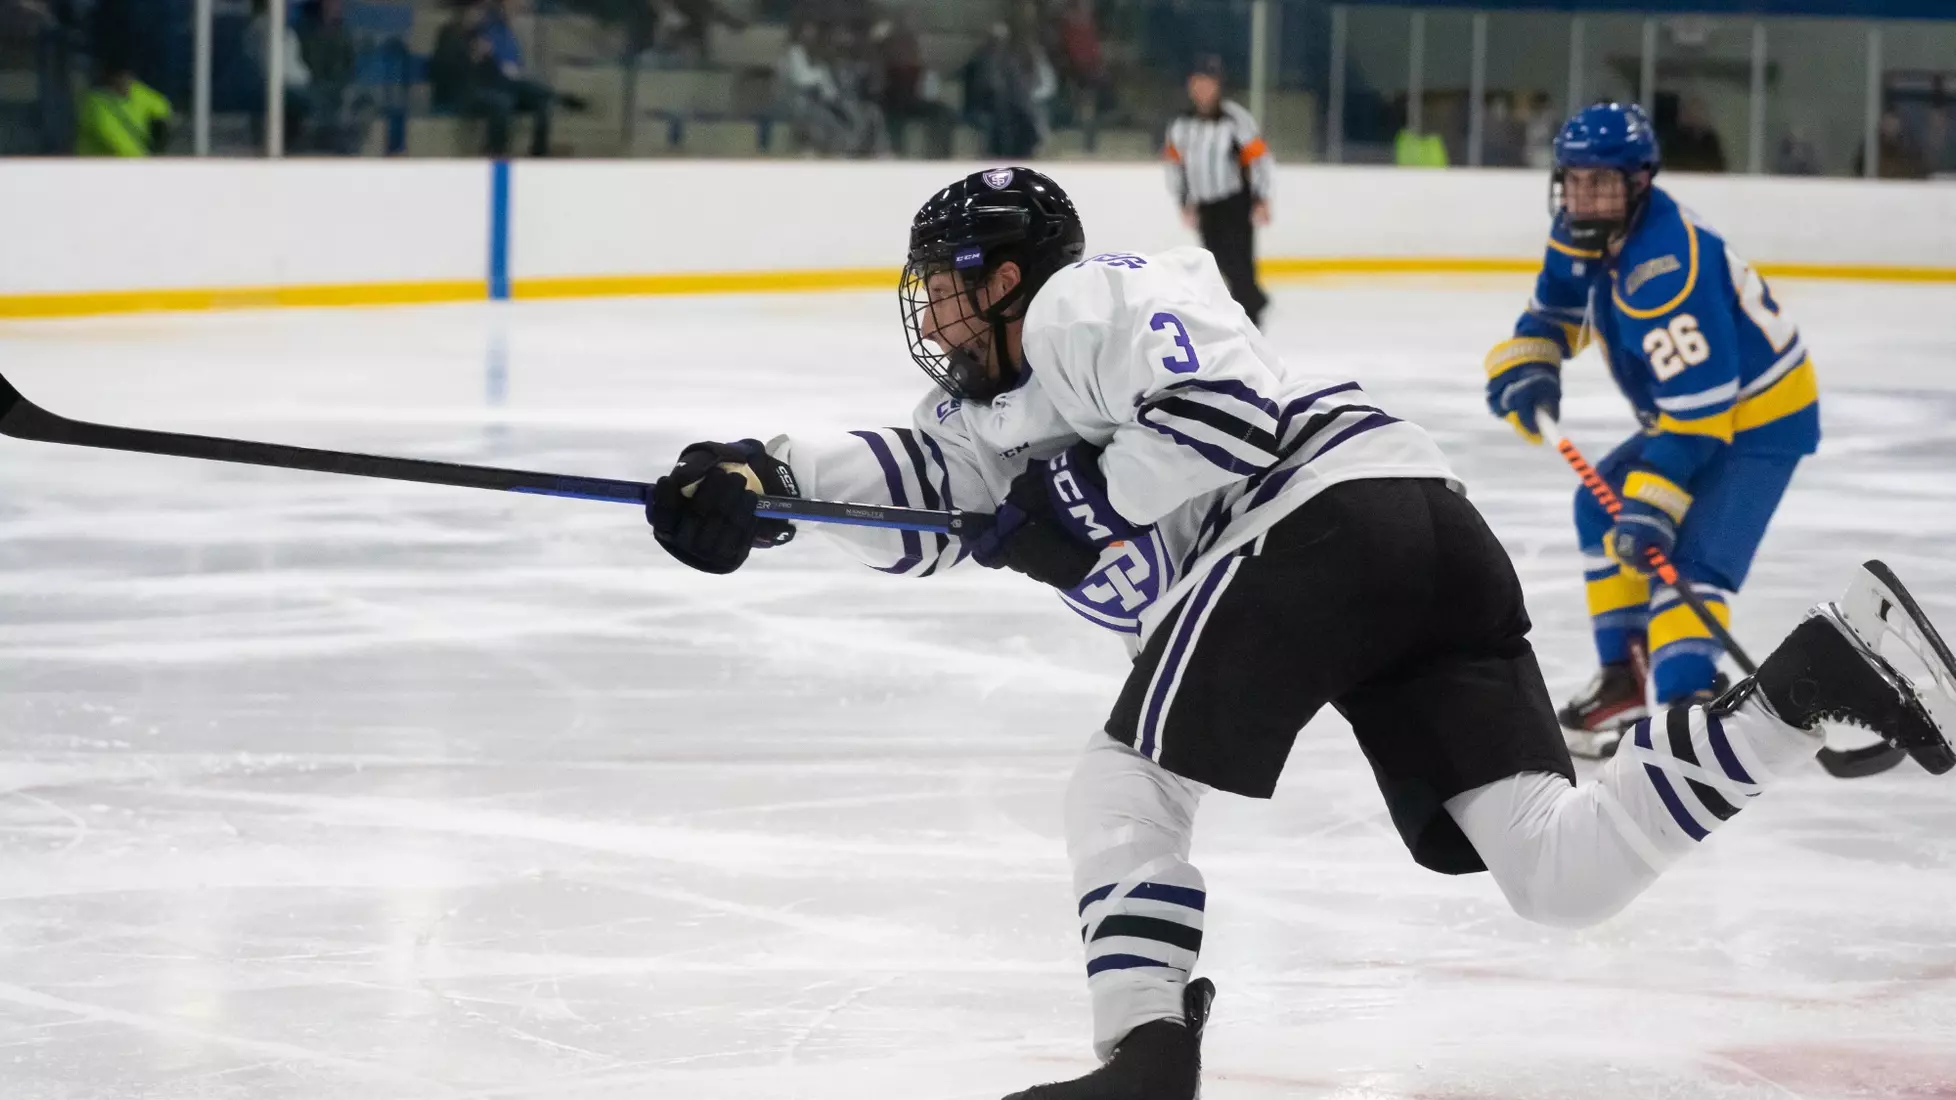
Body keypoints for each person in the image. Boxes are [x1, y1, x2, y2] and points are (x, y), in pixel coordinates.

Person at [643, 165, 1955, 1099]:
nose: (927, 318)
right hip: (1424, 535)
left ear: (1005, 278)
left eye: (941, 287)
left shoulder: (1082, 308)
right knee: (1562, 875)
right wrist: (760, 486)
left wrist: (1082, 502)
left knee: (1124, 782)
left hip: (1322, 517)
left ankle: (1145, 1059)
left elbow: (1224, 420)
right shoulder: (1008, 410)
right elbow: (929, 490)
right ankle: (1805, 686)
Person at [1485, 102, 1823, 757]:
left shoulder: (1667, 268)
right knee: (1599, 509)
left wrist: (1655, 501)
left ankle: (1686, 703)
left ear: (1639, 181)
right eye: (1574, 180)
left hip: (1761, 419)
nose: (1585, 195)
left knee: (1687, 561)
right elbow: (1557, 305)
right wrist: (1535, 359)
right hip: (1697, 413)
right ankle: (1623, 679)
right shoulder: (1582, 224)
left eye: (1602, 181)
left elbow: (1702, 414)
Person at [1163, 56, 1271, 327]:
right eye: (1197, 82)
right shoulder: (1181, 125)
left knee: (1240, 261)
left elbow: (1257, 160)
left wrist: (1261, 198)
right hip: (1205, 205)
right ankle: (1255, 301)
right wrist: (1183, 200)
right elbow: (1176, 166)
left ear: (1218, 85)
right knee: (1217, 260)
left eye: (1207, 83)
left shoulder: (1235, 119)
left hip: (1234, 201)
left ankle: (1251, 314)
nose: (1202, 89)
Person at [430, 0, 555, 157]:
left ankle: (538, 153)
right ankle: (495, 154)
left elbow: (490, 69)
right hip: (460, 92)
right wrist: (471, 57)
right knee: (502, 103)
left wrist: (491, 60)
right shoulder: (448, 33)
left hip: (482, 88)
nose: (480, 16)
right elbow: (442, 70)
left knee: (534, 98)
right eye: (477, 12)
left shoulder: (476, 34)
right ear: (465, 12)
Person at [244, 0, 313, 150]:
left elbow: (297, 65)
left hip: (293, 89)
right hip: (278, 91)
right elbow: (270, 66)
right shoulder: (262, 29)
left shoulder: (286, 32)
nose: (287, 7)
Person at [73, 60, 171, 155]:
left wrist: (162, 123)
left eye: (129, 77)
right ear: (110, 79)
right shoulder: (94, 104)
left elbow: (162, 105)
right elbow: (119, 144)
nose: (126, 82)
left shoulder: (136, 91)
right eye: (121, 77)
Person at [1664, 96, 1726, 173]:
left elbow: (1719, 167)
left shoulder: (1710, 140)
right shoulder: (1675, 140)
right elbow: (1672, 167)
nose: (1696, 115)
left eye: (1700, 111)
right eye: (1692, 111)